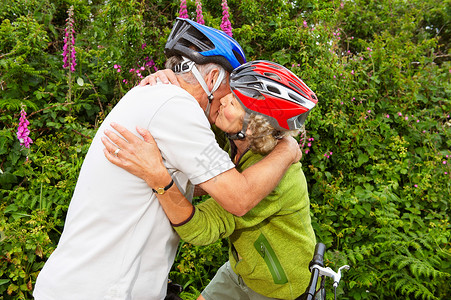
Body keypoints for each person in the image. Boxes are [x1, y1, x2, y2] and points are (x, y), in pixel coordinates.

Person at [33, 19, 301, 300]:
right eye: (230, 89)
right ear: (212, 80)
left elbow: (207, 181)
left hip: (86, 284)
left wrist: (162, 178)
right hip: (106, 290)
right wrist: (287, 148)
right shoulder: (178, 108)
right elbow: (238, 196)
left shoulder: (153, 96)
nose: (227, 99)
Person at [102, 60, 318, 299]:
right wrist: (171, 81)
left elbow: (200, 229)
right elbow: (208, 179)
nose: (223, 99)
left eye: (233, 102)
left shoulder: (272, 177)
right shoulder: (243, 151)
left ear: (255, 127)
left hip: (279, 287)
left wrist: (158, 178)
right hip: (241, 271)